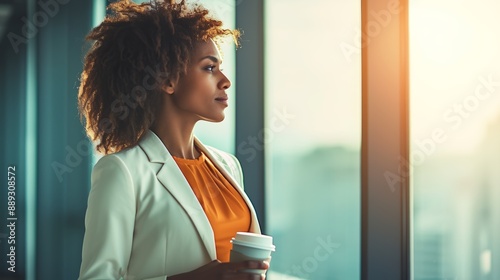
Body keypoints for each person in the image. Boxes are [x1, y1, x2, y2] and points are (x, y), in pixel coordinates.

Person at [77, 0, 269, 279]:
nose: (225, 80)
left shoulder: (228, 166)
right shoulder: (123, 172)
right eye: (209, 68)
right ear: (167, 80)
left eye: (220, 67)